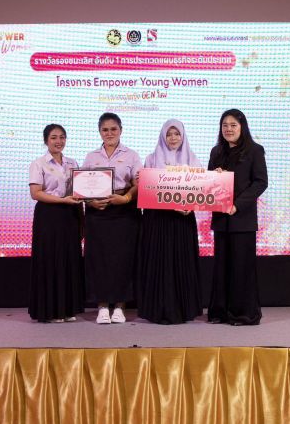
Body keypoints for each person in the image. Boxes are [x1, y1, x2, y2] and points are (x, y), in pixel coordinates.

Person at [137, 119, 203, 324]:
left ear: (183, 136)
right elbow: (147, 190)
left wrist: (191, 206)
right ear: (162, 136)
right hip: (157, 220)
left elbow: (201, 191)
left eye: (177, 134)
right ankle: (157, 309)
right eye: (169, 134)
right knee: (159, 262)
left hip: (182, 220)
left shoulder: (193, 160)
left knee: (181, 262)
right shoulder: (151, 159)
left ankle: (183, 309)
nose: (173, 138)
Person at [207, 109, 268, 326]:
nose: (228, 129)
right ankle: (220, 312)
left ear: (242, 127)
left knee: (241, 268)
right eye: (225, 125)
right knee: (222, 267)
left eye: (233, 125)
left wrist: (237, 205)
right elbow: (208, 183)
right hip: (221, 219)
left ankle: (243, 314)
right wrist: (215, 176)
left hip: (242, 219)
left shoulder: (255, 150)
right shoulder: (216, 151)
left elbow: (260, 182)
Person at [83, 113, 142, 324]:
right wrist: (90, 202)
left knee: (122, 259)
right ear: (99, 132)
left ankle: (119, 305)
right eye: (105, 130)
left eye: (113, 129)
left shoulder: (132, 155)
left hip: (124, 210)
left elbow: (139, 183)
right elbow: (81, 185)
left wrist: (125, 198)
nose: (109, 133)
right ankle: (101, 305)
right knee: (98, 259)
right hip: (97, 212)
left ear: (121, 130)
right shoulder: (91, 157)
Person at [28, 124, 84, 323]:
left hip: (70, 214)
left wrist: (82, 222)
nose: (58, 141)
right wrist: (62, 200)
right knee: (50, 260)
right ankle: (50, 310)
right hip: (48, 216)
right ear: (46, 141)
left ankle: (67, 309)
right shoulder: (39, 163)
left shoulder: (72, 163)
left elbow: (79, 192)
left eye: (62, 137)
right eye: (53, 137)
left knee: (69, 260)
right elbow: (35, 193)